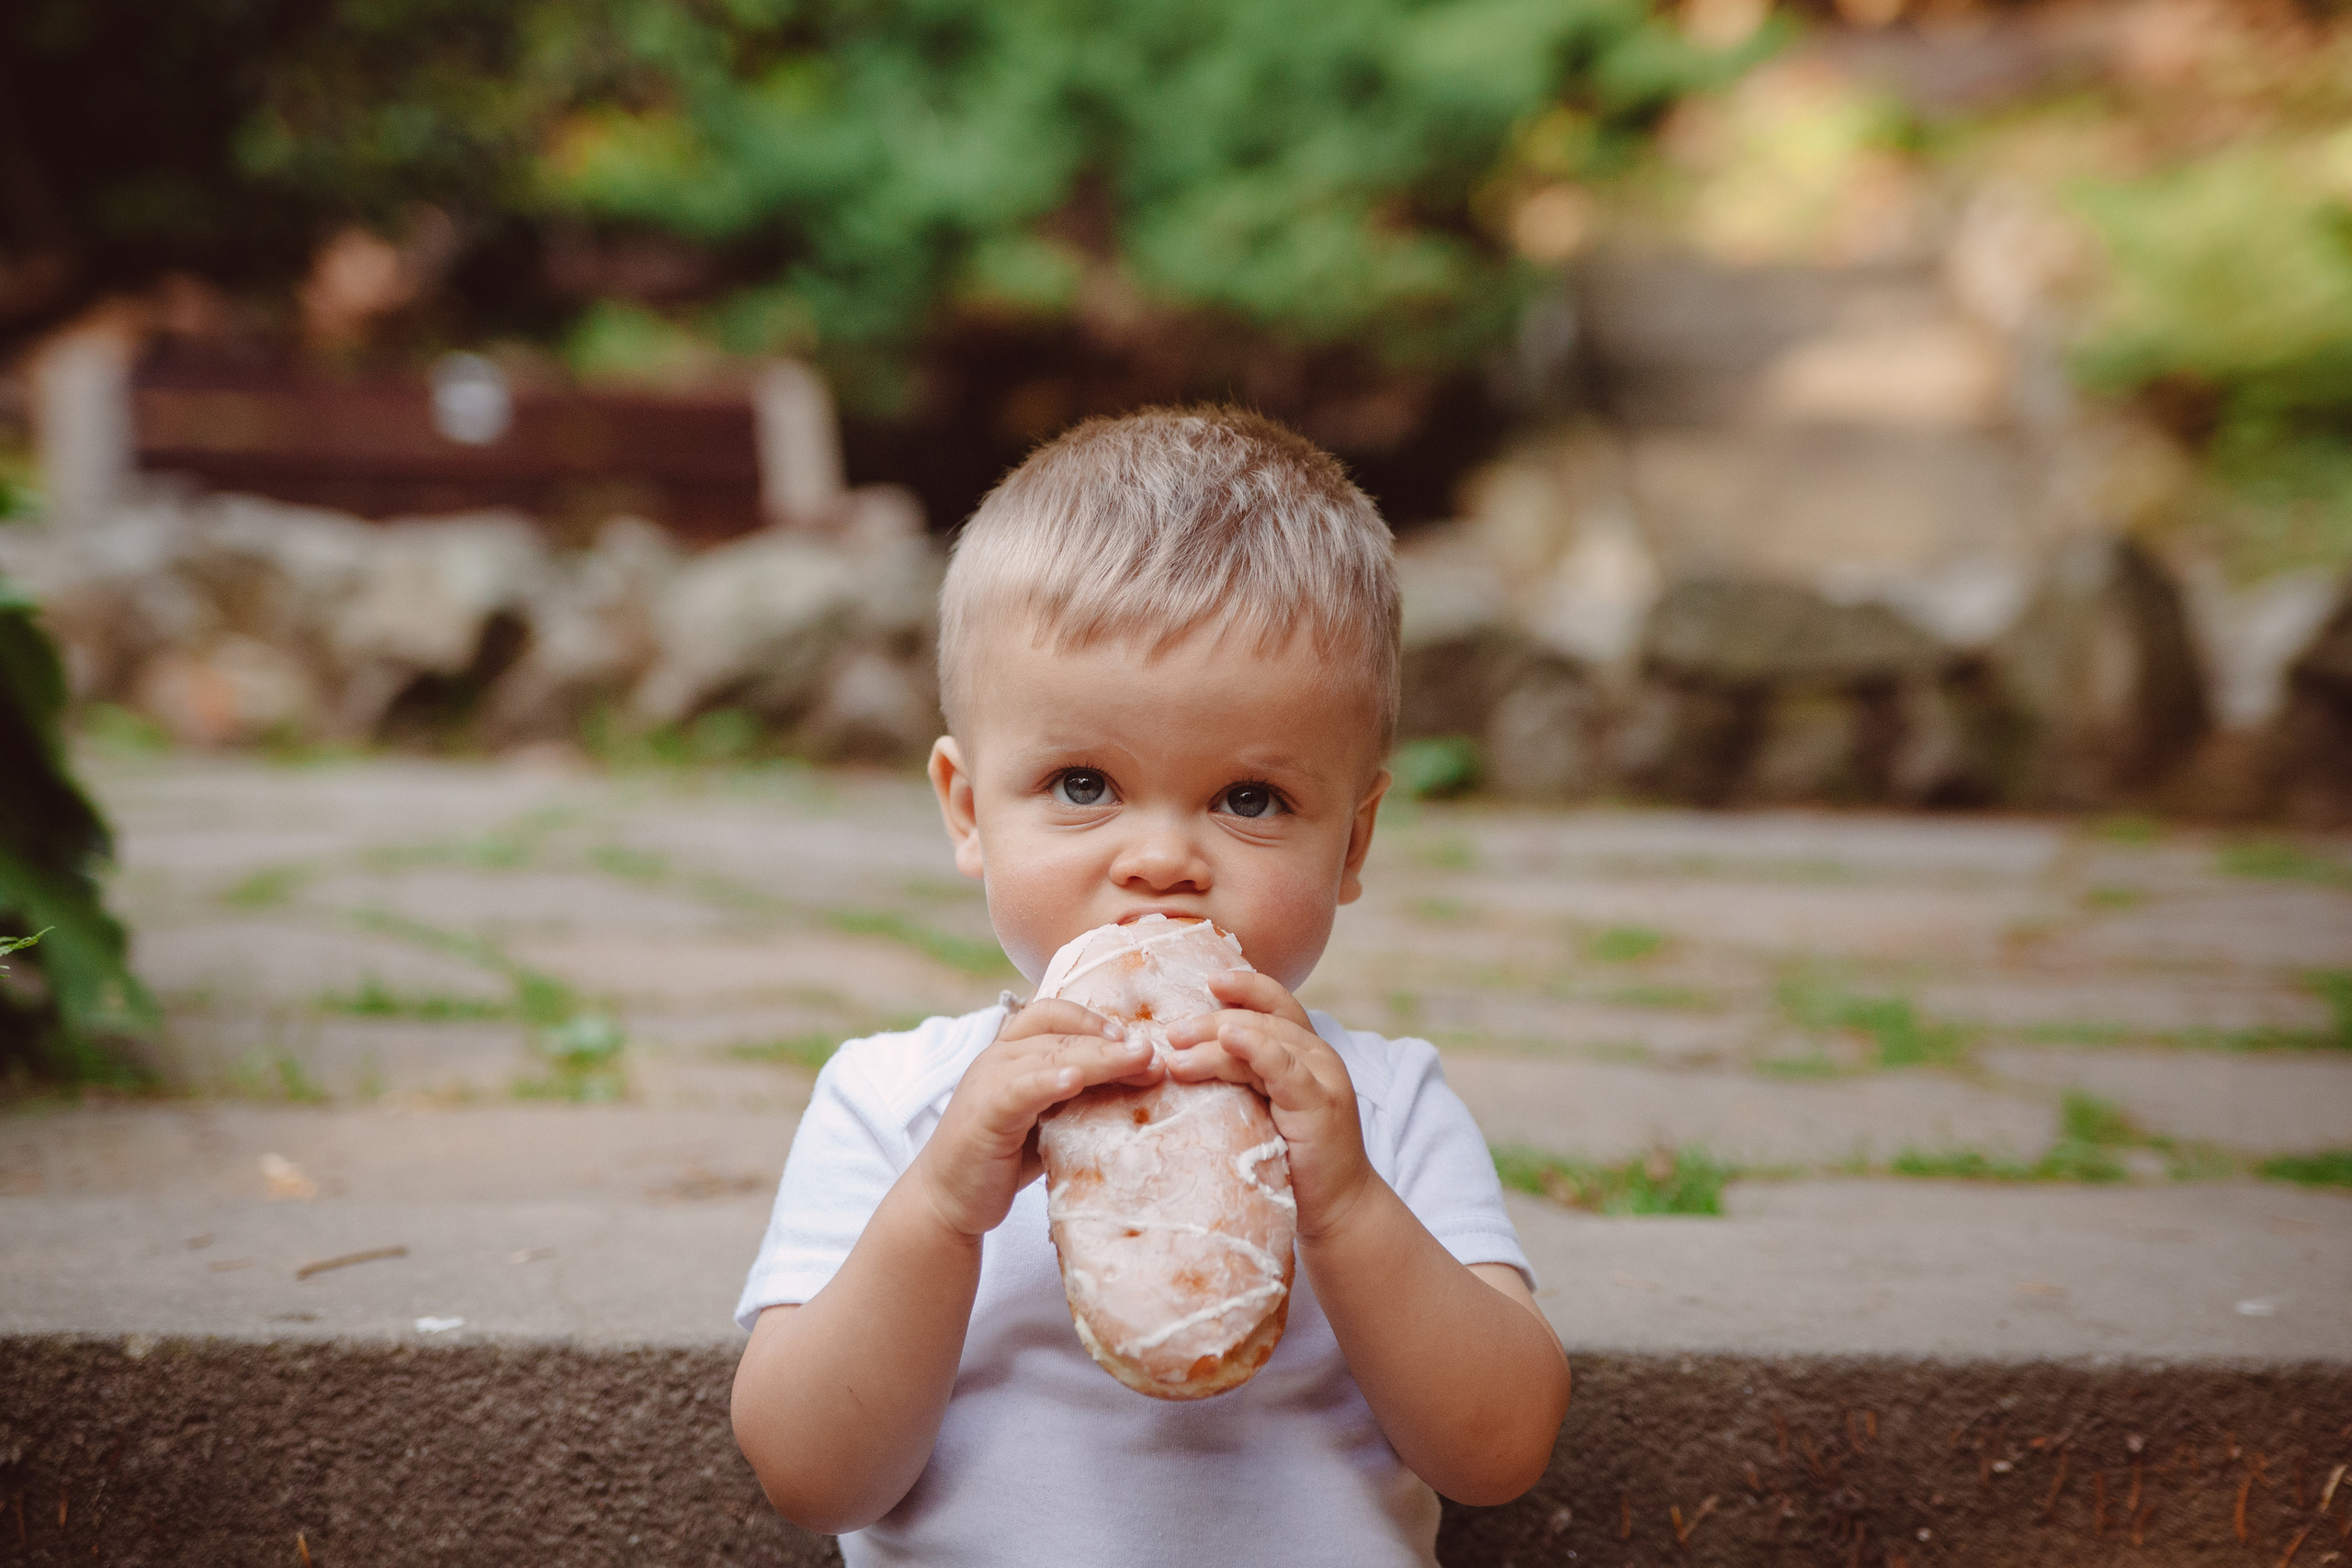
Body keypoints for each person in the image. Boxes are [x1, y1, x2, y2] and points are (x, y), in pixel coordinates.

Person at [729, 407, 1572, 1566]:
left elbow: (1499, 1450)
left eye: (1250, 799)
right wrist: (938, 1210)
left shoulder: (1378, 1107)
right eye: (1083, 783)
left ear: (1354, 842)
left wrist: (1348, 1206)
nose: (1164, 859)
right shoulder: (898, 1101)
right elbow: (810, 1474)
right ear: (969, 810)